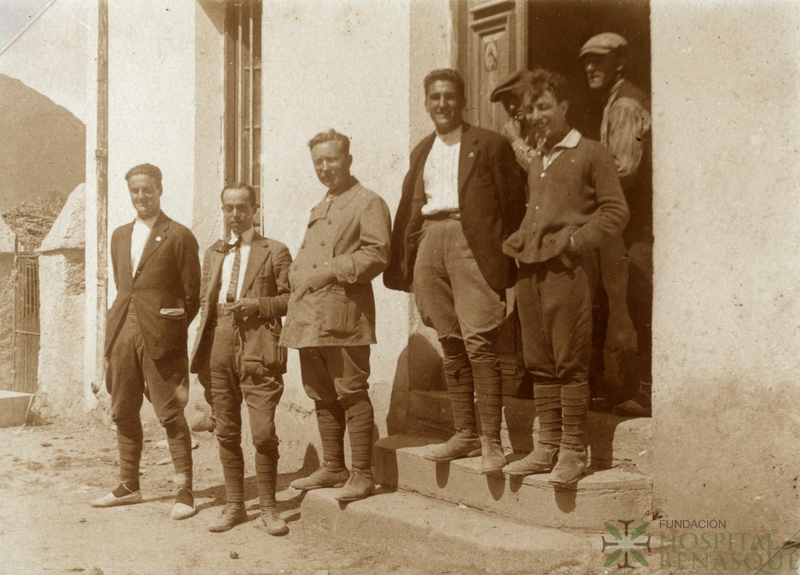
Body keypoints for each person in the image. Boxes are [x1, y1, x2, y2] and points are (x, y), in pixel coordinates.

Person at [384, 69, 526, 475]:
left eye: (449, 97)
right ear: (426, 104)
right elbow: (413, 205)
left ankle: (491, 442)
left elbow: (513, 206)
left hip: (473, 244)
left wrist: (509, 261)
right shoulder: (422, 150)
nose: (442, 104)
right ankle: (464, 432)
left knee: (480, 342)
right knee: (450, 339)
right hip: (432, 241)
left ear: (462, 102)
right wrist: (410, 256)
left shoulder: (492, 145)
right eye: (435, 97)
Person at [501, 70, 629, 484]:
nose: (537, 115)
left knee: (570, 360)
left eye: (544, 106)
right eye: (530, 109)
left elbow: (615, 212)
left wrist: (576, 242)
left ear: (564, 107)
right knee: (540, 362)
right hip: (531, 271)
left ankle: (573, 451)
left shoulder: (592, 153)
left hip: (567, 270)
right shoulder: (538, 159)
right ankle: (546, 448)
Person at [281, 129, 391, 502]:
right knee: (321, 393)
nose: (325, 168)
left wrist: (329, 271)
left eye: (331, 159)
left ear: (348, 159)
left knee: (351, 390)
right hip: (309, 317)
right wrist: (295, 272)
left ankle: (362, 473)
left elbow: (377, 255)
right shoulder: (320, 207)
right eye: (318, 163)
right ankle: (333, 466)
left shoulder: (367, 202)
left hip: (344, 316)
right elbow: (306, 254)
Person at [91, 163, 201, 520]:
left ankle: (184, 489)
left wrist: (169, 329)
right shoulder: (120, 235)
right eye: (135, 190)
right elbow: (126, 288)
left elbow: (192, 296)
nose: (141, 197)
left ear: (159, 190)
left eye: (147, 190)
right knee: (123, 408)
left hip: (161, 335)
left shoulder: (179, 235)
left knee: (170, 412)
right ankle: (128, 486)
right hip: (123, 329)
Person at [189, 184, 291, 535]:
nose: (235, 214)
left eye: (242, 207)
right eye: (229, 208)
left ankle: (268, 508)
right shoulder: (214, 253)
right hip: (219, 342)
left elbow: (292, 298)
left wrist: (259, 306)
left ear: (255, 209)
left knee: (262, 433)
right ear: (223, 210)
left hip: (258, 344)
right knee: (228, 431)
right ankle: (235, 506)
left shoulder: (274, 250)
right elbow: (205, 302)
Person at [580, 32, 653, 417]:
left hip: (635, 222)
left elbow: (623, 169)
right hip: (624, 222)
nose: (591, 67)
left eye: (600, 60)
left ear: (619, 63)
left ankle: (647, 390)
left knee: (641, 298)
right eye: (587, 61)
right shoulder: (616, 101)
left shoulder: (625, 103)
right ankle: (635, 386)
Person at [490, 69, 541, 172]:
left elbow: (542, 171)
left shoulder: (542, 129)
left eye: (516, 98)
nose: (512, 106)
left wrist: (516, 141)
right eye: (505, 101)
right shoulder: (512, 130)